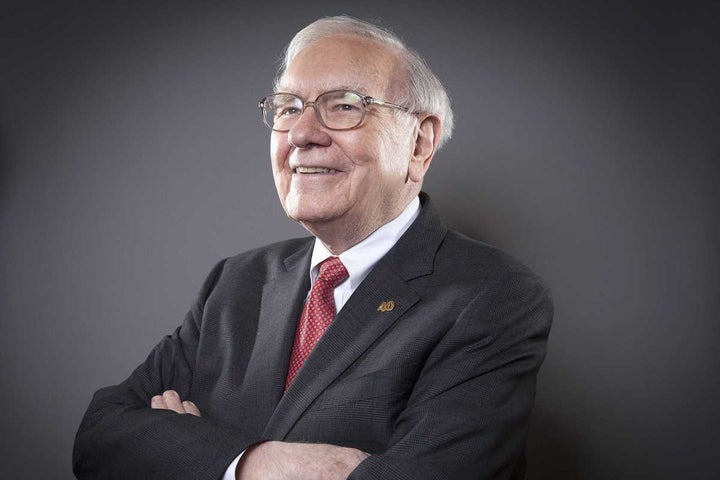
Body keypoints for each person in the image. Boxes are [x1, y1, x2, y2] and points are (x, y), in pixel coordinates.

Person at [73, 15, 552, 480]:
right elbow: (100, 436)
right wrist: (256, 464)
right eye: (287, 108)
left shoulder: (493, 297)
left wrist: (185, 450)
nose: (301, 134)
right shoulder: (235, 282)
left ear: (419, 144)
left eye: (344, 105)